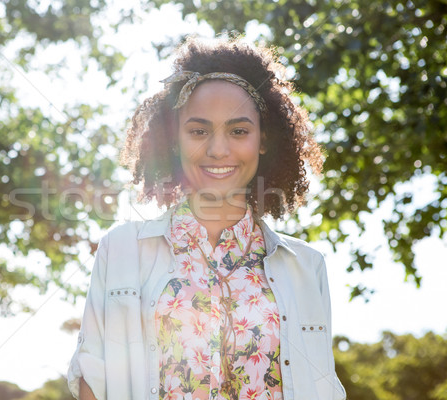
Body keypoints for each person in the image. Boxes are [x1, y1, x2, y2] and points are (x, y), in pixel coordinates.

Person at [68, 36, 346, 400]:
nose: (217, 149)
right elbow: (94, 379)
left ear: (263, 139)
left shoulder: (308, 267)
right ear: (175, 140)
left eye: (239, 131)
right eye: (198, 131)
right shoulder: (120, 251)